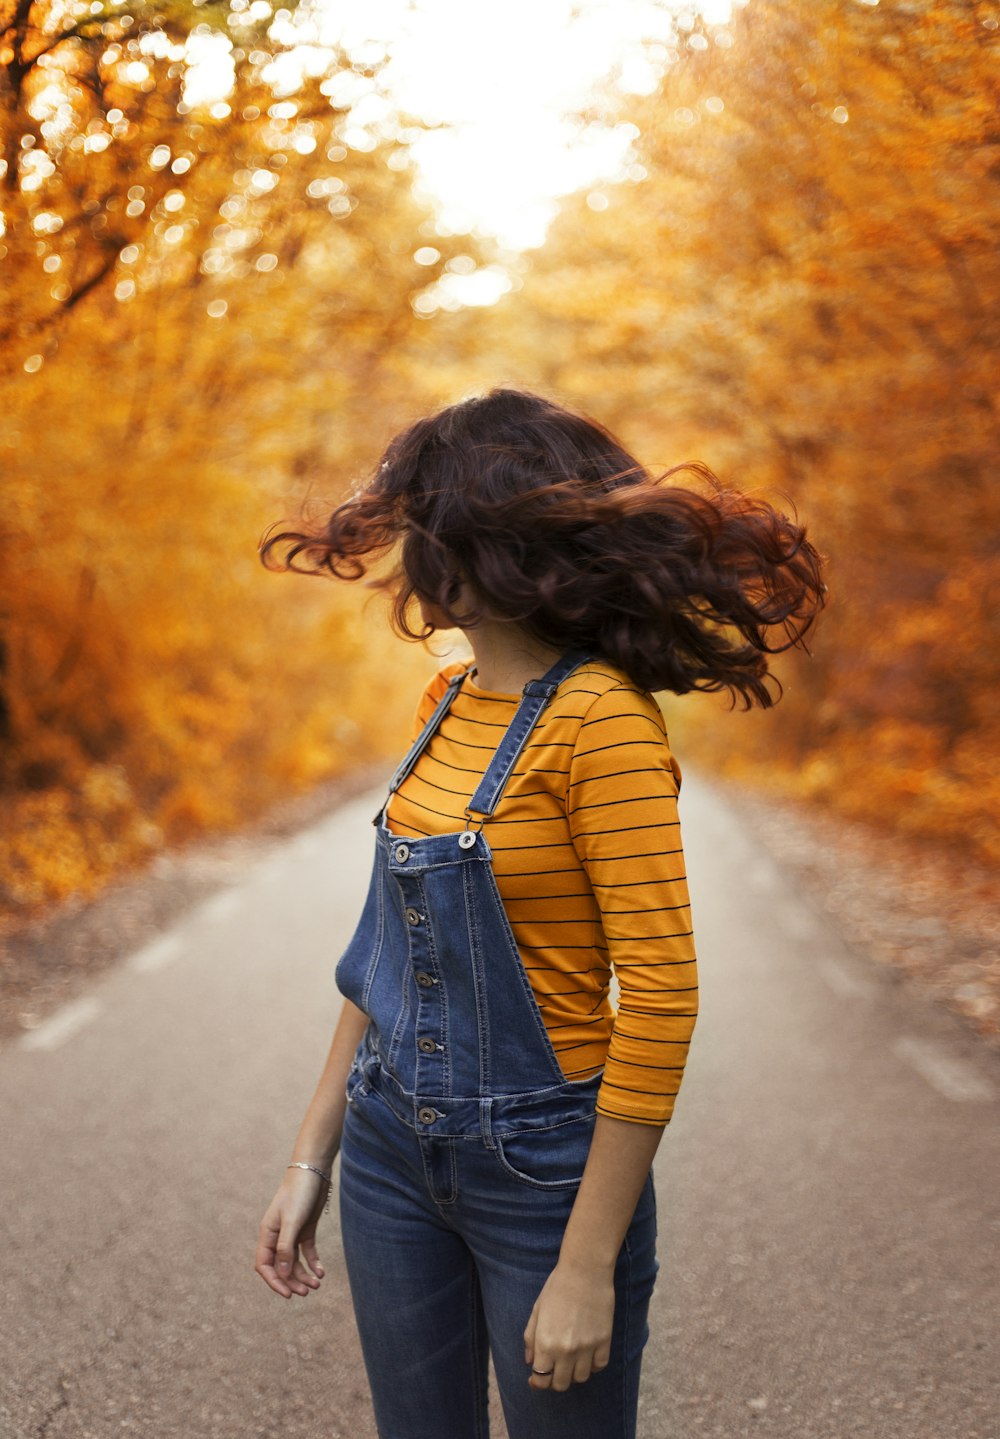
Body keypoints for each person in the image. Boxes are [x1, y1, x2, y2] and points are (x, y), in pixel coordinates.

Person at [254, 387, 826, 1439]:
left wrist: (585, 1264)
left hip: (540, 1169)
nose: (409, 551)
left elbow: (659, 998)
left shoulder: (601, 721)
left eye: (423, 520)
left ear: (485, 539)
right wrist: (313, 1152)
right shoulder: (447, 701)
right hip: (389, 1146)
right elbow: (385, 949)